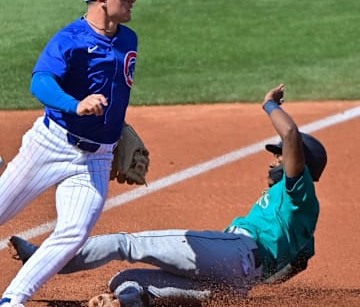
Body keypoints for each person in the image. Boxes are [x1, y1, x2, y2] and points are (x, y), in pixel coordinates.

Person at [8, 84, 327, 307]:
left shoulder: (298, 190)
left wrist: (270, 104)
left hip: (236, 252)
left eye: (280, 157)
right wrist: (254, 278)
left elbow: (290, 135)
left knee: (127, 244)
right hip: (235, 283)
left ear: (300, 163)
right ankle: (126, 303)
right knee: (125, 280)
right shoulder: (303, 218)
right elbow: (298, 264)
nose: (275, 160)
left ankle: (42, 257)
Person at [0, 0, 146, 307]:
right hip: (49, 146)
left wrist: (116, 132)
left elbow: (116, 92)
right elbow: (41, 81)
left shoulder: (128, 39)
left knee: (74, 232)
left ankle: (13, 300)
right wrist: (75, 104)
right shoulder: (70, 40)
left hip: (95, 158)